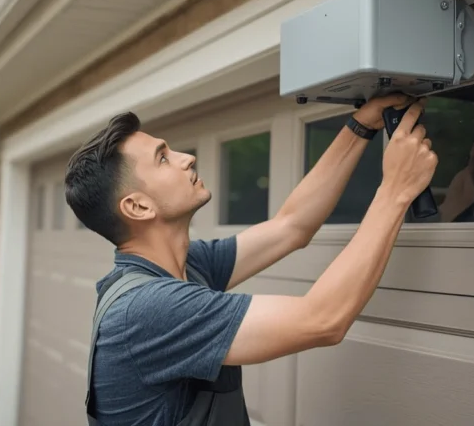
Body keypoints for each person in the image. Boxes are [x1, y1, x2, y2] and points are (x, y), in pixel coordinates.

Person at [64, 94, 438, 426]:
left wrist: (360, 126)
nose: (186, 158)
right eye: (163, 158)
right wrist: (396, 191)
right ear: (138, 206)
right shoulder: (148, 309)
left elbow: (292, 226)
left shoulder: (185, 266)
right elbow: (323, 320)